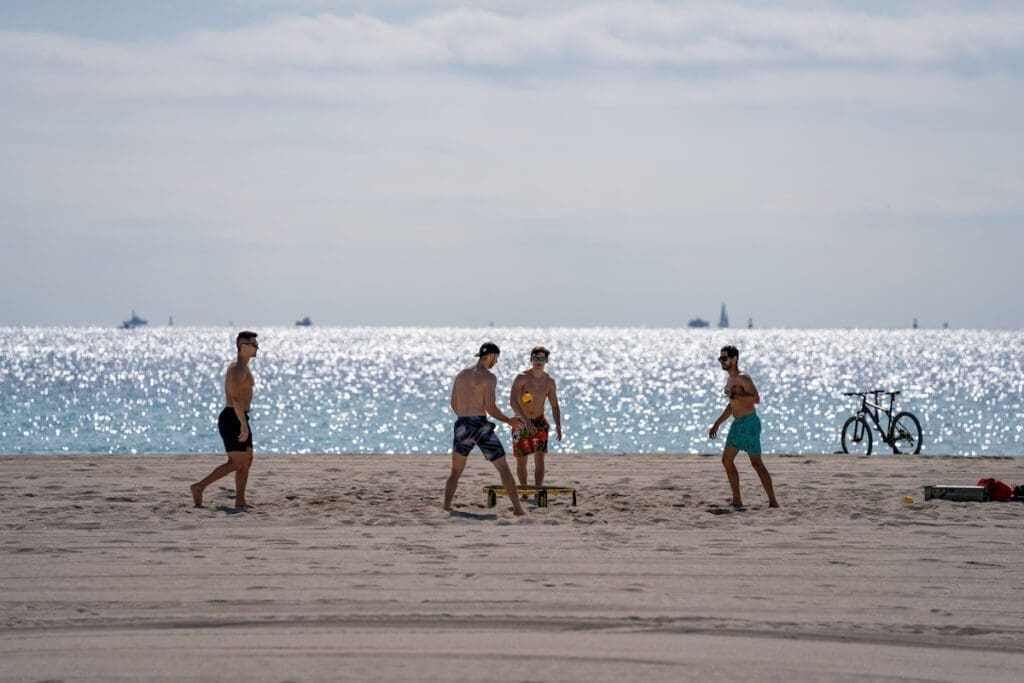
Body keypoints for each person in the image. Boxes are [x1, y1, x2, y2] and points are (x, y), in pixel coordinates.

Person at [444, 342, 527, 516]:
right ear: (491, 356)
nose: (496, 362)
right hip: (480, 426)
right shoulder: (488, 377)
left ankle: (446, 507)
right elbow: (490, 407)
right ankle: (518, 509)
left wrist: (466, 417)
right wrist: (509, 420)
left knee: (455, 471)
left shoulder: (461, 374)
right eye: (496, 358)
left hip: (462, 424)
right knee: (503, 468)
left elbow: (453, 403)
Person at [191, 331, 259, 509]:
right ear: (243, 346)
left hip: (240, 416)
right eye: (254, 345)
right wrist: (243, 424)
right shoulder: (237, 368)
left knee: (247, 461)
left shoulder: (243, 367)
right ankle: (199, 487)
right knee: (236, 462)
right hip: (232, 418)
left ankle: (240, 500)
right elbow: (235, 398)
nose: (257, 348)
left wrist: (244, 420)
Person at [708, 345, 779, 508]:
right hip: (738, 423)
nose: (722, 362)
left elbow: (756, 398)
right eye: (720, 359)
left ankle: (773, 501)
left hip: (749, 423)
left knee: (756, 463)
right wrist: (717, 423)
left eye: (725, 358)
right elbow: (732, 405)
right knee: (727, 460)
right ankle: (737, 500)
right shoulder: (730, 379)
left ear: (734, 359)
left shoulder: (743, 378)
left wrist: (735, 394)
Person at [509, 346, 562, 490]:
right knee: (521, 461)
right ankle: (524, 490)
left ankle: (538, 490)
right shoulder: (522, 378)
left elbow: (554, 405)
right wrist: (526, 422)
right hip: (521, 422)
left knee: (540, 459)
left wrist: (558, 425)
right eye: (536, 358)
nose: (538, 361)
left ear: (546, 361)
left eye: (542, 358)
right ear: (531, 359)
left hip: (540, 421)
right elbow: (513, 402)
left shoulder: (549, 382)